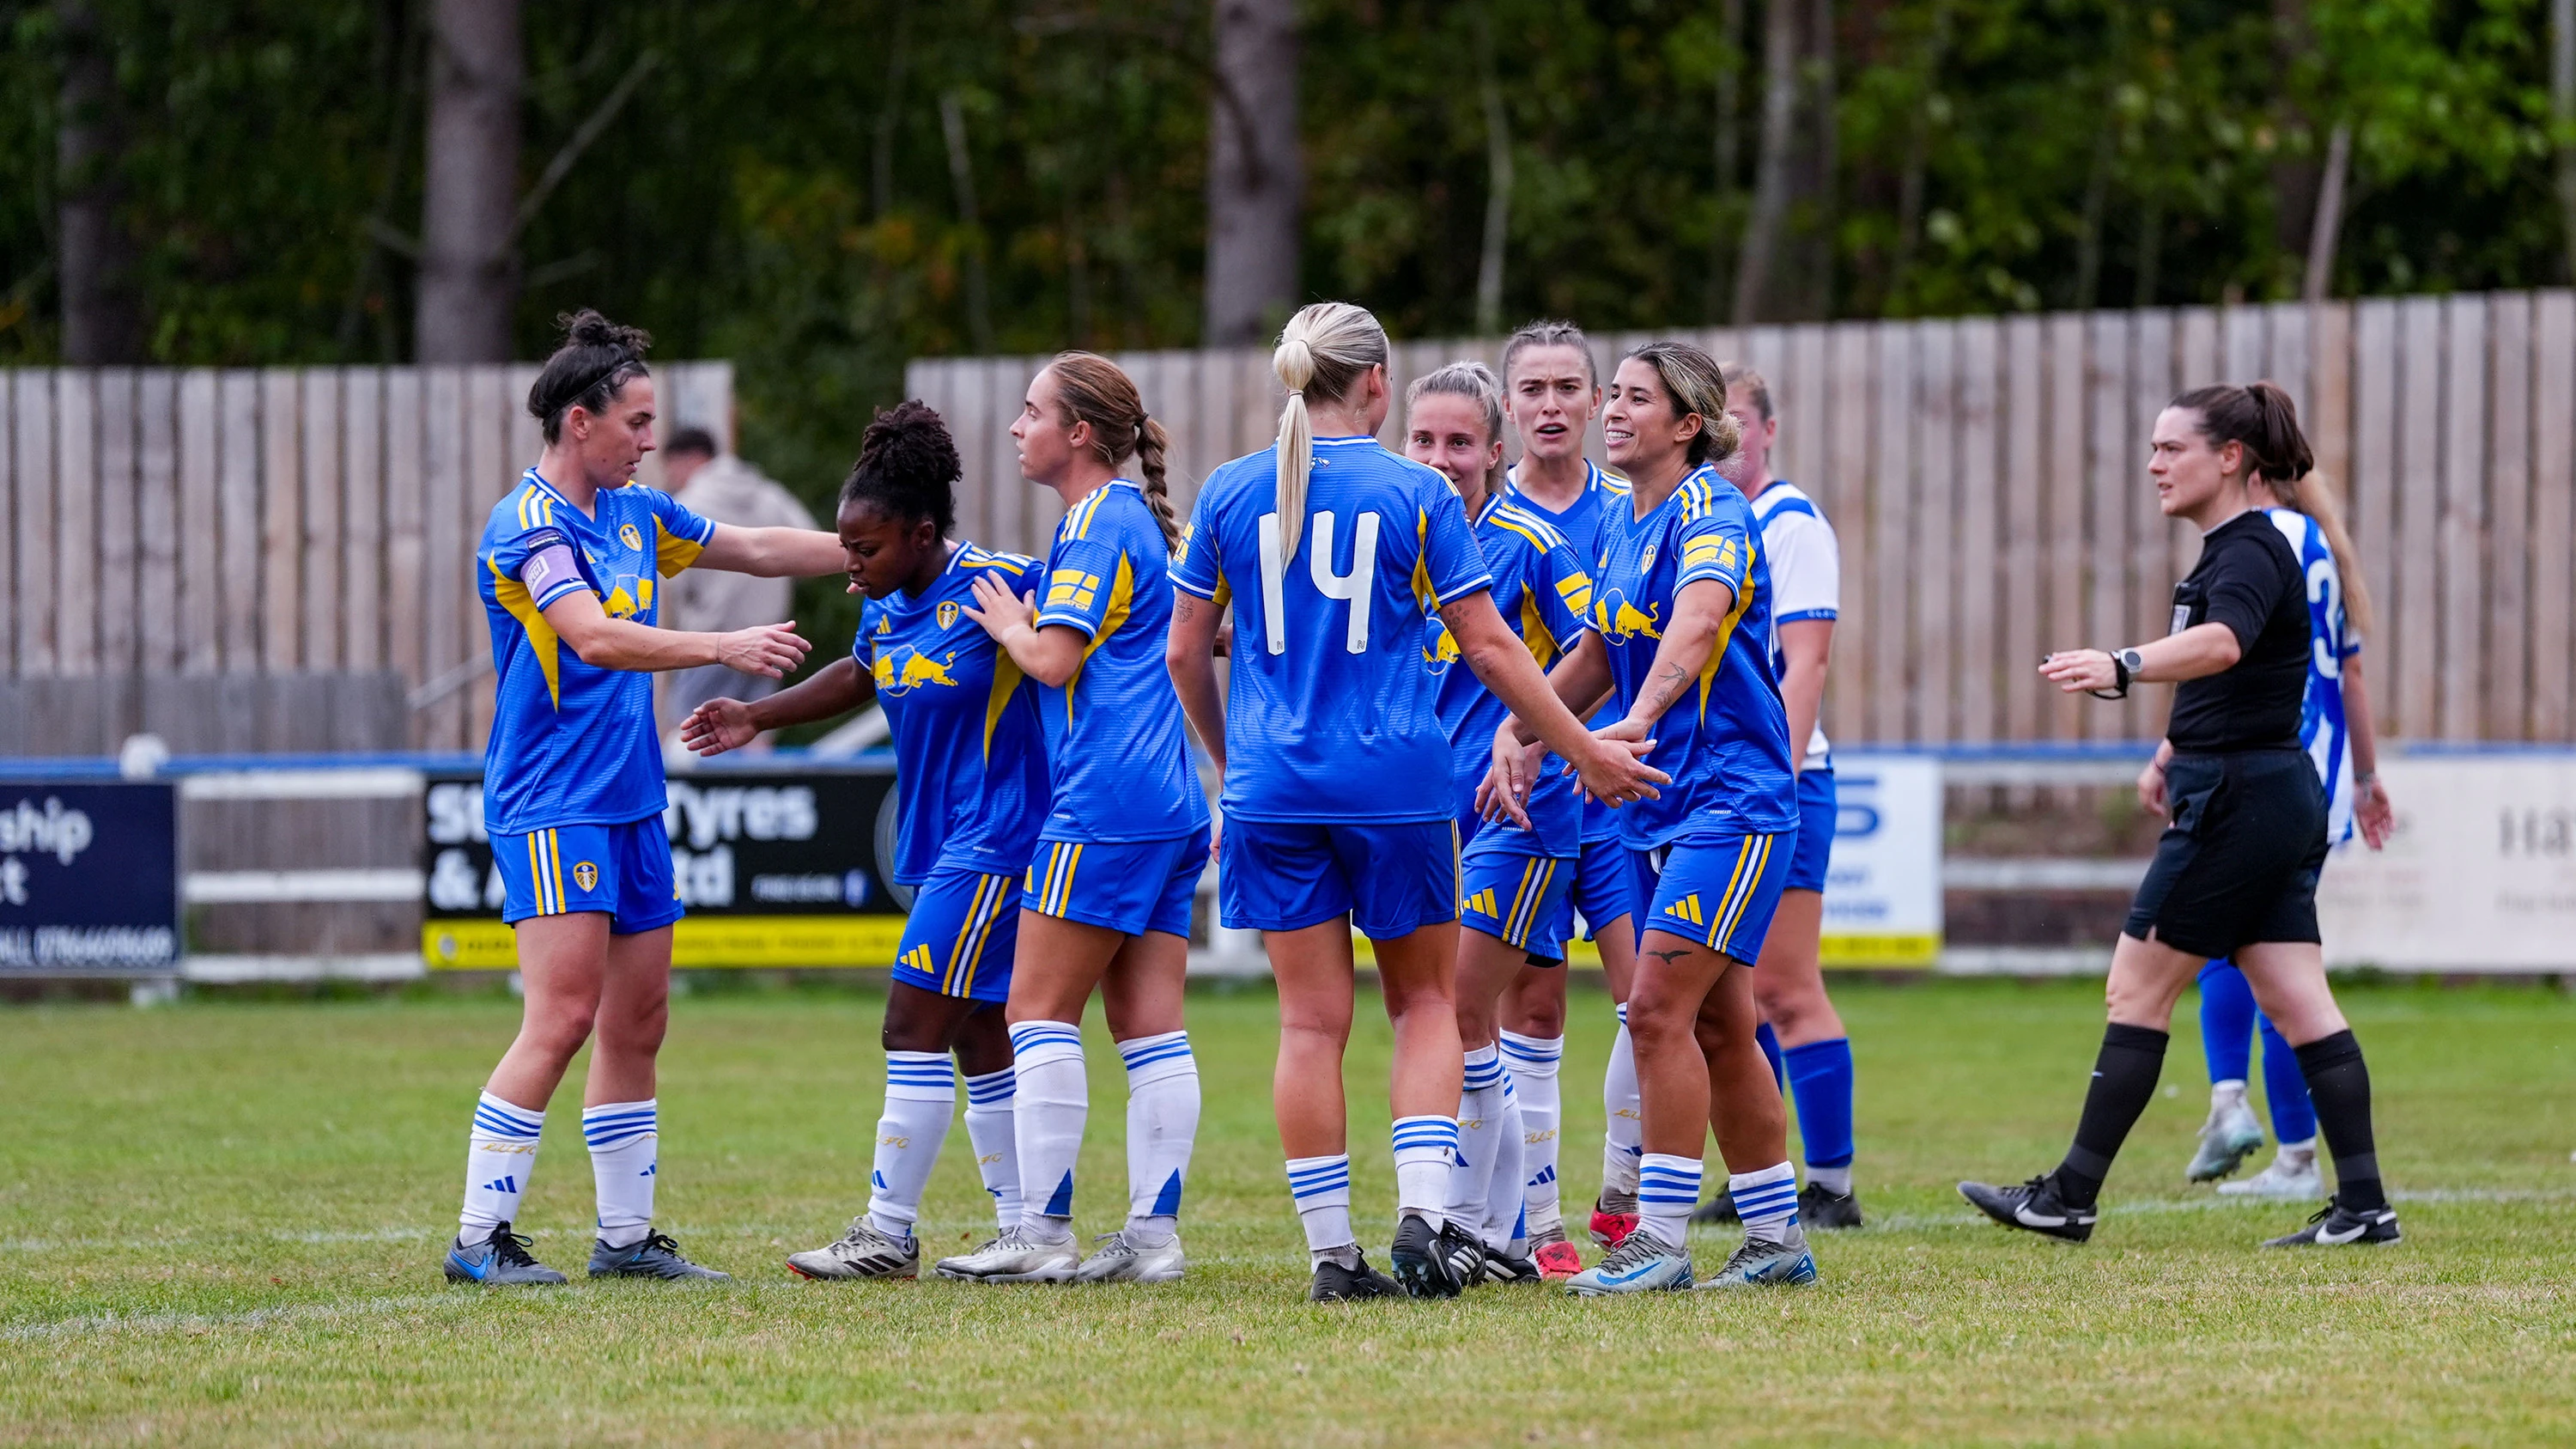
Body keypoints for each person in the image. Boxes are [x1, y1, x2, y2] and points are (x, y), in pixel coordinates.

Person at [1166, 301, 1665, 1303]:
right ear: (1380, 386)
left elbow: (1184, 652)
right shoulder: (1418, 494)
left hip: (1270, 791)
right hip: (1396, 785)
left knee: (1310, 1025)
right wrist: (1579, 748)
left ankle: (1331, 1256)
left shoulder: (1226, 490)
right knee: (1428, 1003)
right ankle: (1429, 1220)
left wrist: (1235, 764)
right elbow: (1491, 646)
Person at [444, 310, 843, 1286]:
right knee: (564, 1015)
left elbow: (750, 548)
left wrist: (881, 551)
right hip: (552, 802)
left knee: (639, 1019)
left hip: (627, 797)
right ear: (579, 421)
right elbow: (593, 637)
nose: (648, 439)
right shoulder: (528, 524)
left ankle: (624, 1238)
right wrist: (721, 648)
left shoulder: (638, 513)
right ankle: (476, 1241)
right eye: (635, 420)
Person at [1962, 381, 2401, 1250]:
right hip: (2268, 790)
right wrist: (2171, 751)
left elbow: (2224, 644)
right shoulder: (2241, 546)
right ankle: (2365, 1206)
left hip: (2238, 800)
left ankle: (2070, 1195)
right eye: (2154, 449)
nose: (2155, 464)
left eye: (2173, 449)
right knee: (2301, 1001)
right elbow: (2242, 671)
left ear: (2231, 457)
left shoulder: (2245, 549)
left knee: (2136, 986)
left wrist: (2123, 662)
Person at [678, 402, 1044, 1279]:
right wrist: (755, 717)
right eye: (845, 546)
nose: (850, 563)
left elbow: (1104, 620)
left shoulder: (1001, 586)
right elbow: (863, 668)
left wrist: (1220, 636)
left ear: (923, 534)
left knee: (909, 1021)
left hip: (996, 838)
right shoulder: (889, 599)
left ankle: (887, 1231)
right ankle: (1025, 1227)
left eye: (865, 548)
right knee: (977, 1031)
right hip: (942, 840)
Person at [1484, 341, 1819, 1295]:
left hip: (1734, 802)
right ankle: (1776, 1239)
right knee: (1720, 1024)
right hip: (1670, 805)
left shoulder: (1713, 509)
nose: (1614, 412)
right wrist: (1530, 729)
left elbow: (1700, 621)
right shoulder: (1625, 524)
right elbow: (1597, 648)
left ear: (1688, 424)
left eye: (1637, 400)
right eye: (1616, 397)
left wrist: (1639, 715)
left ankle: (1659, 1239)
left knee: (1655, 1009)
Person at [932, 353, 1212, 1287]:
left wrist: (1008, 621)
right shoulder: (1124, 520)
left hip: (1105, 803)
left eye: (1031, 411)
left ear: (1079, 432)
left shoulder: (1098, 522)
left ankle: (1041, 1235)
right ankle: (1152, 1239)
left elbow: (1052, 661)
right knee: (1150, 1027)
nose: (1017, 428)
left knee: (1033, 1011)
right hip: (1170, 804)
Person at [1401, 362, 1593, 1284]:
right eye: (1425, 441)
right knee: (1460, 1025)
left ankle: (1477, 1229)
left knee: (1463, 1010)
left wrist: (1530, 739)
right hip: (1422, 816)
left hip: (1521, 813)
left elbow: (1602, 650)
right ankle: (1504, 1230)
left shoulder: (1525, 542)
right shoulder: (1394, 534)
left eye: (1461, 444)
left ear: (1496, 451)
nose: (1442, 462)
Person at [2178, 467, 2395, 1196]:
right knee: (2261, 952)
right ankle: (2263, 1128)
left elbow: (2230, 659)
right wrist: (2365, 779)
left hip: (2270, 769)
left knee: (2266, 962)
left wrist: (2172, 751)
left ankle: (2268, 1131)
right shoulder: (2325, 548)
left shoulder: (2268, 543)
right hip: (2322, 772)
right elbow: (2352, 679)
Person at [1481, 320, 1645, 1275]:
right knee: (1533, 1013)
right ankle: (1539, 1226)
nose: (1551, 403)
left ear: (1596, 404)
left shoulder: (1638, 511)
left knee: (1648, 1001)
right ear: (1511, 406)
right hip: (1530, 802)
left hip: (1626, 795)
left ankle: (1621, 1193)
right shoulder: (1483, 527)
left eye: (1568, 387)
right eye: (1532, 387)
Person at [1686, 362, 1864, 1232]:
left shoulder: (1786, 521)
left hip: (1778, 782)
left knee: (1786, 987)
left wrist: (1778, 777)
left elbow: (1808, 661)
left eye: (1737, 420)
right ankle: (1763, 1172)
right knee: (1734, 993)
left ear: (1766, 431)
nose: (1723, 435)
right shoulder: (1694, 518)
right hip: (1718, 784)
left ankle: (1830, 1182)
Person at [656, 427, 821, 741]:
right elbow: (807, 537)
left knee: (685, 724)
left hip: (715, 635)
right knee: (757, 727)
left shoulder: (689, 502)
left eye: (670, 466)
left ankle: (681, 791)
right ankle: (757, 790)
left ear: (688, 459)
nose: (670, 476)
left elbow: (674, 574)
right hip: (771, 635)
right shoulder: (767, 492)